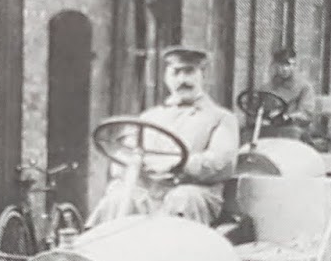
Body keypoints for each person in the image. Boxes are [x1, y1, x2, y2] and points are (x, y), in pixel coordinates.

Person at [88, 44, 240, 226]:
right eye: (176, 73)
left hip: (193, 190)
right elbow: (125, 153)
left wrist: (176, 164)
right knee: (119, 198)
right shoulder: (150, 117)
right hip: (149, 190)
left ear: (203, 76)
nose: (183, 80)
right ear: (167, 78)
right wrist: (127, 162)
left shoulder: (221, 118)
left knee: (182, 199)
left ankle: (176, 253)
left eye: (189, 72)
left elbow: (221, 163)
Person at [260, 46, 321, 142]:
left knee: (292, 133)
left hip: (295, 129)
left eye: (288, 65)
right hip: (270, 128)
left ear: (294, 66)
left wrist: (286, 117)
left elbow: (306, 114)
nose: (284, 69)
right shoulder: (267, 88)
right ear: (275, 66)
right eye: (280, 65)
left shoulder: (304, 87)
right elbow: (259, 109)